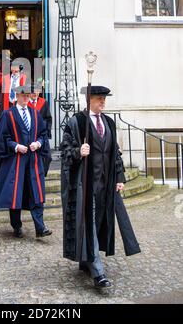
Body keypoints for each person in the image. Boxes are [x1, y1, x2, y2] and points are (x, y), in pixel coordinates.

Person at [60, 86, 140, 288]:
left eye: (104, 99)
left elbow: (116, 154)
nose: (103, 102)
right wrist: (79, 151)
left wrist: (119, 177)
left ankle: (85, 259)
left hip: (105, 185)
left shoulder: (109, 123)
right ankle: (98, 273)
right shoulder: (76, 122)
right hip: (85, 185)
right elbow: (65, 153)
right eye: (98, 99)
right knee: (89, 223)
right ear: (89, 100)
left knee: (98, 222)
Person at [0, 85, 52, 238]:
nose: (26, 98)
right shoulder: (7, 115)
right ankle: (16, 226)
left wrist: (38, 143)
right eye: (23, 96)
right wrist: (16, 146)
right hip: (15, 162)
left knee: (36, 192)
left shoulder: (35, 114)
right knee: (15, 193)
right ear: (16, 96)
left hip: (33, 161)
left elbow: (43, 134)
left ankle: (40, 227)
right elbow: (3, 138)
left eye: (27, 96)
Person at [28, 88, 52, 176]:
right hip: (30, 135)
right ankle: (34, 177)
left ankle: (42, 175)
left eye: (37, 91)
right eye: (33, 91)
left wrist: (46, 131)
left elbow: (48, 118)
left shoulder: (44, 102)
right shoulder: (26, 104)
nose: (35, 93)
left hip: (42, 135)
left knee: (48, 157)